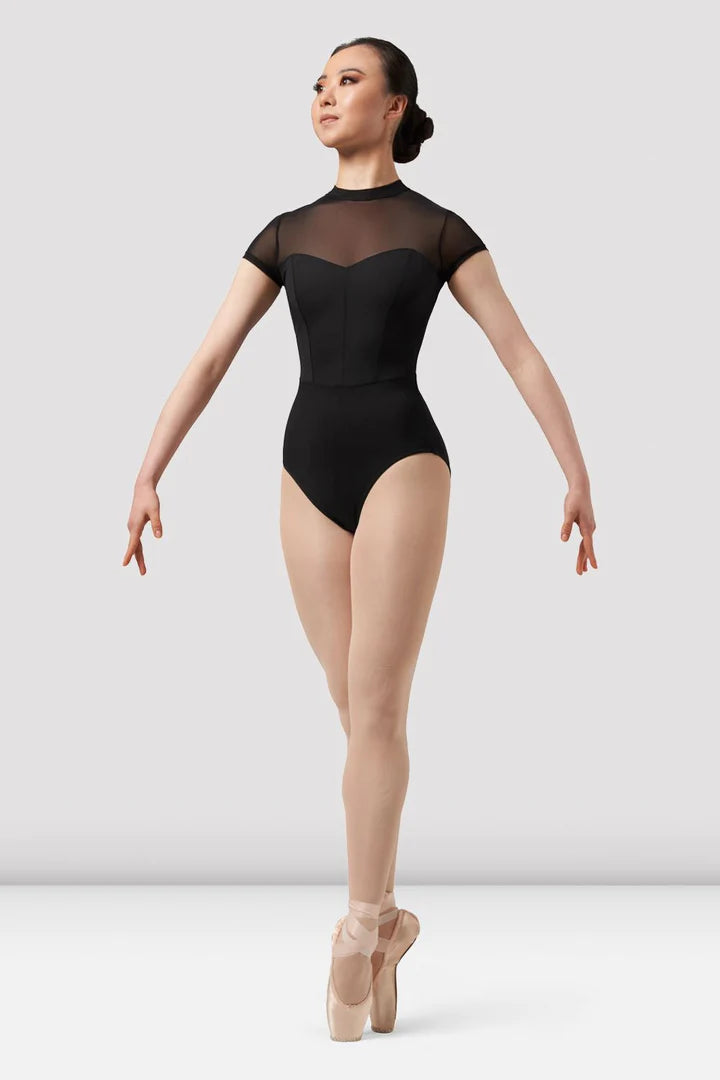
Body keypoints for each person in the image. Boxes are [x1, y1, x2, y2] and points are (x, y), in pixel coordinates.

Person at [123, 36, 598, 1041]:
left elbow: (518, 350)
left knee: (378, 707)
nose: (325, 95)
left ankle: (352, 936)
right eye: (318, 83)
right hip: (306, 472)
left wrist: (575, 471)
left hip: (403, 463)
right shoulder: (283, 231)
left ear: (395, 108)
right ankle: (387, 927)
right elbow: (210, 356)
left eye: (348, 80)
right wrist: (149, 469)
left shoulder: (439, 230)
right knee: (355, 708)